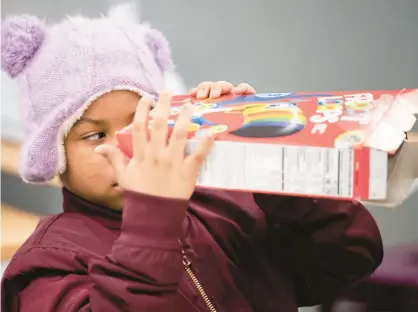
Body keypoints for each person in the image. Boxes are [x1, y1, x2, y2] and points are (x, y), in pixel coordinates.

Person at [0, 4, 383, 312]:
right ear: (57, 154)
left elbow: (349, 259)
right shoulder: (46, 264)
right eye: (95, 135)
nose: (131, 147)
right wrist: (153, 220)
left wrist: (264, 166)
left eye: (143, 121)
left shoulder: (225, 205)